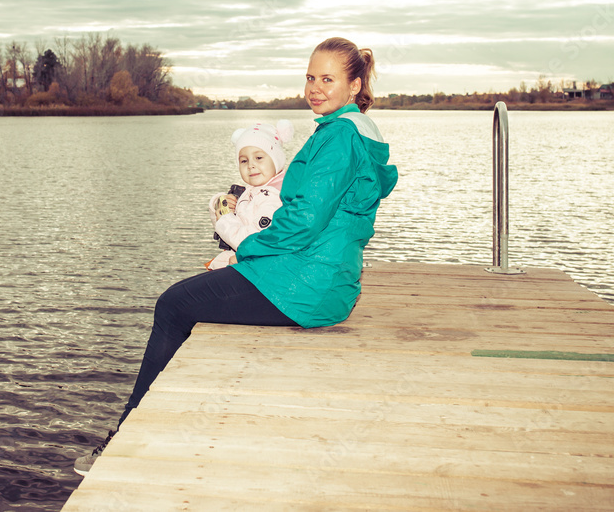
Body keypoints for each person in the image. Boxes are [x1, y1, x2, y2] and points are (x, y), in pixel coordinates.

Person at [73, 37, 398, 476]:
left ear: (355, 84)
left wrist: (243, 243)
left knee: (174, 305)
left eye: (328, 79)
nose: (315, 88)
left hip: (303, 285)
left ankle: (126, 434)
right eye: (310, 77)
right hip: (324, 278)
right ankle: (160, 422)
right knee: (194, 297)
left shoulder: (340, 137)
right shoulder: (353, 130)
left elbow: (302, 223)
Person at [205, 119, 295, 270]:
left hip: (255, 271)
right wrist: (221, 207)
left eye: (259, 158)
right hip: (243, 266)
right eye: (243, 161)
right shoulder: (251, 190)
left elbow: (250, 242)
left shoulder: (274, 198)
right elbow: (224, 233)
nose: (251, 165)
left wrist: (225, 218)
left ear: (276, 159)